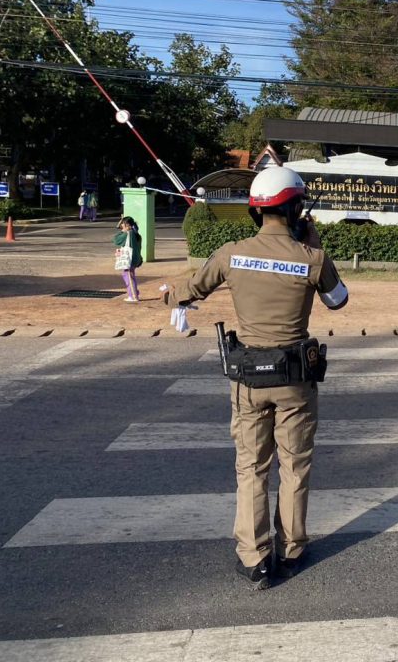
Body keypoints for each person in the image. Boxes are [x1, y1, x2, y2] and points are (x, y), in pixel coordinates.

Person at [163, 166, 348, 590]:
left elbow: (193, 289)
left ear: (256, 210)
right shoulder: (312, 259)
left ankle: (255, 558)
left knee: (251, 466)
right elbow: (338, 300)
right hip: (295, 380)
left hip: (248, 380)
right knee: (294, 466)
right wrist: (315, 245)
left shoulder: (231, 254)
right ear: (296, 209)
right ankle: (292, 550)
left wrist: (169, 296)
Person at [113, 217, 143, 302]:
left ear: (127, 225)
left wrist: (122, 230)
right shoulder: (136, 234)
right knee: (130, 276)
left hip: (130, 259)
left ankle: (133, 296)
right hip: (135, 258)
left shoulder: (128, 234)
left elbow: (116, 240)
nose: (122, 225)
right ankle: (134, 294)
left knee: (129, 277)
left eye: (123, 224)